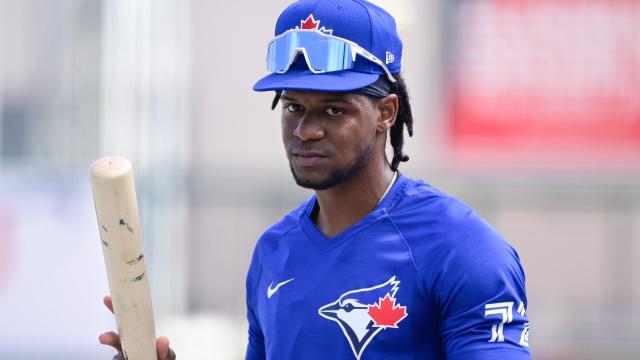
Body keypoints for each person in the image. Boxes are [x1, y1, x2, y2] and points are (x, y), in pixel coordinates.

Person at [100, 0, 531, 359]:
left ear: (386, 113)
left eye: (334, 110)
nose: (306, 130)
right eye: (293, 107)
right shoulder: (274, 251)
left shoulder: (461, 246)